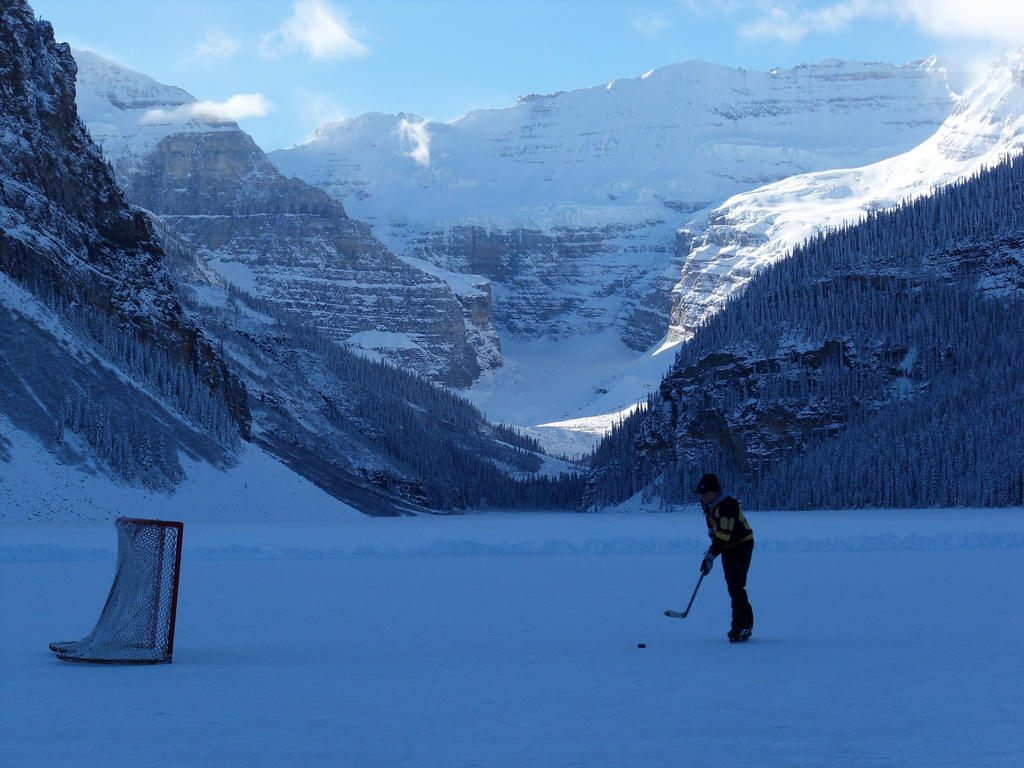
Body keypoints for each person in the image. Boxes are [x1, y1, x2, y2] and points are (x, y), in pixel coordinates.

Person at [694, 473, 754, 642]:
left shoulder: (728, 506)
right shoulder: (708, 503)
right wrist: (710, 555)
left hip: (741, 544)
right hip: (727, 546)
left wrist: (711, 556)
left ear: (715, 492)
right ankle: (740, 626)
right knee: (732, 586)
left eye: (704, 493)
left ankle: (743, 627)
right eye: (700, 493)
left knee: (737, 586)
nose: (702, 496)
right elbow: (715, 530)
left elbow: (724, 534)